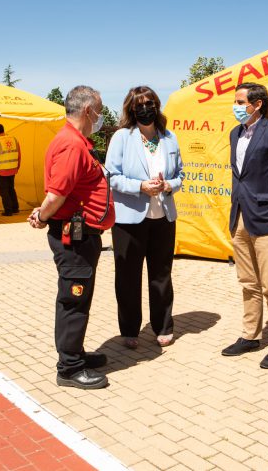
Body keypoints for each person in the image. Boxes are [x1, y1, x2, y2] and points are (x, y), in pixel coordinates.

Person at [28, 85, 115, 389]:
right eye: (100, 109)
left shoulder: (77, 141)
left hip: (83, 235)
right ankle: (69, 367)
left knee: (80, 296)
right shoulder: (71, 145)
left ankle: (75, 352)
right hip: (73, 237)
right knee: (73, 298)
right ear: (88, 110)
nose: (101, 116)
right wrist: (41, 215)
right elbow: (56, 195)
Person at [220, 82, 268, 369]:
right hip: (240, 216)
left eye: (241, 102)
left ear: (258, 104)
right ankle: (251, 335)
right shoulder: (235, 133)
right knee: (248, 282)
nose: (237, 107)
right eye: (236, 102)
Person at [105, 86, 184, 349]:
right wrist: (140, 187)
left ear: (157, 105)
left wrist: (168, 185)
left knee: (161, 274)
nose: (145, 108)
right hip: (129, 219)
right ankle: (129, 329)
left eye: (150, 103)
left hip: (163, 215)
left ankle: (163, 325)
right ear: (131, 108)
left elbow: (180, 175)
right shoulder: (122, 137)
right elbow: (112, 176)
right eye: (139, 104)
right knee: (128, 276)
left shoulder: (169, 137)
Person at [0, 123, 21, 216]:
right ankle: (15, 208)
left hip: (2, 171)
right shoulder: (14, 139)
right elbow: (19, 155)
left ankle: (8, 210)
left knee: (4, 191)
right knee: (11, 189)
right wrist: (17, 167)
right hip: (12, 169)